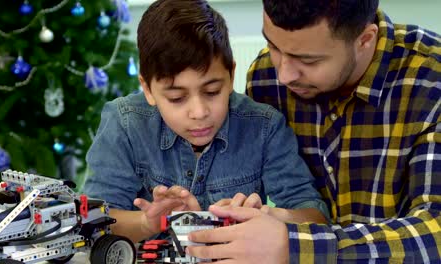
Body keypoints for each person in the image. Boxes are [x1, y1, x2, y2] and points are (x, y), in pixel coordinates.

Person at [186, 0, 441, 263]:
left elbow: (435, 232)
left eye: (308, 60)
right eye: (273, 45)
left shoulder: (432, 80)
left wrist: (293, 247)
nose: (284, 75)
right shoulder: (265, 77)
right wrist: (273, 217)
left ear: (364, 39)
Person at [82, 0, 329, 243]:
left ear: (231, 75)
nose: (199, 112)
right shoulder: (125, 123)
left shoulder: (264, 126)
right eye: (177, 98)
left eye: (212, 92)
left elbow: (314, 216)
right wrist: (148, 223)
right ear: (147, 88)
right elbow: (95, 220)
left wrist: (267, 215)